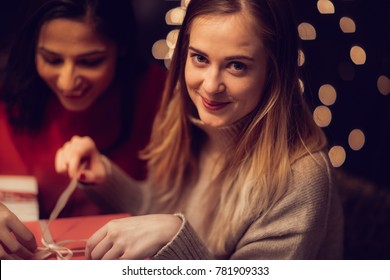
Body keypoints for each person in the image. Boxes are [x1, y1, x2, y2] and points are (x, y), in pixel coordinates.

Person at [58, 0, 343, 260]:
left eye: (236, 65)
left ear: (274, 72)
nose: (210, 86)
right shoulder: (186, 122)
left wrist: (174, 235)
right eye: (200, 58)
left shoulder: (301, 179)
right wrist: (106, 178)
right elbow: (156, 208)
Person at [0, 0, 166, 259]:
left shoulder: (159, 96)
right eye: (51, 59)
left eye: (90, 61)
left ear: (121, 46)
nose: (68, 81)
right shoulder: (7, 98)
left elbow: (180, 211)